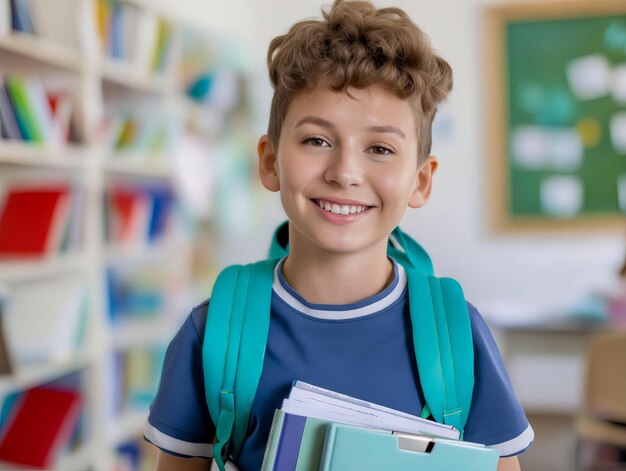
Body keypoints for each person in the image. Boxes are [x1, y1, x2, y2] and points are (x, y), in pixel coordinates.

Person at [144, 1, 534, 470]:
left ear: (421, 180)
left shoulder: (458, 335)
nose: (346, 172)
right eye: (316, 140)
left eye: (380, 148)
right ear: (270, 162)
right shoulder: (213, 332)